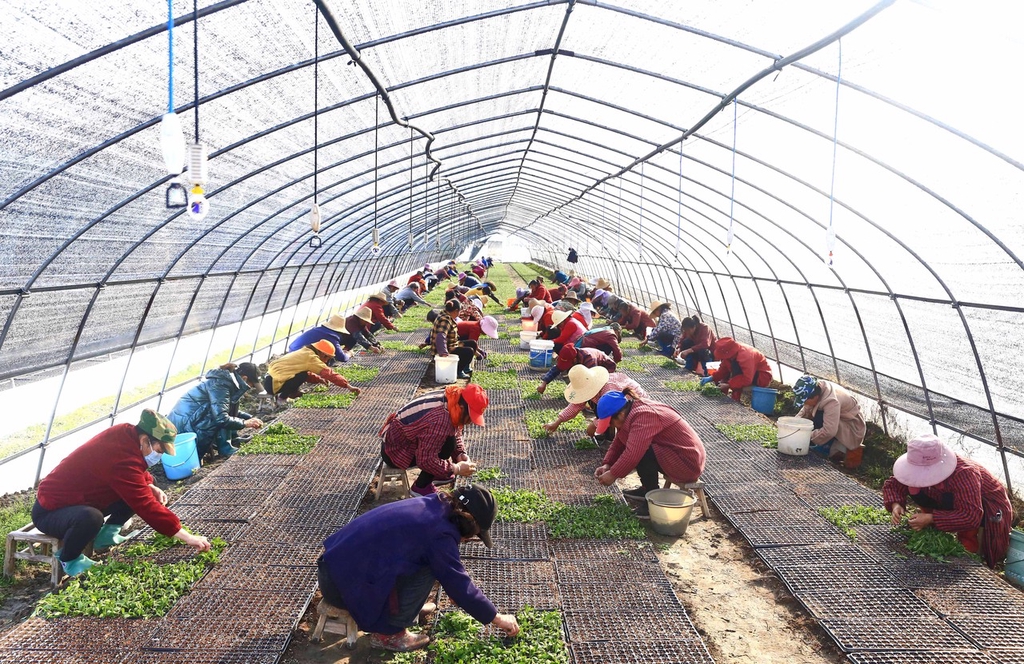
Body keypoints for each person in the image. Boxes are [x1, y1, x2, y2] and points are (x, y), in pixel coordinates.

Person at [317, 484, 519, 652]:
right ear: (469, 521)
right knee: (430, 567)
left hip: (334, 567)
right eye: (475, 534)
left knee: (426, 561)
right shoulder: (439, 534)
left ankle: (406, 609)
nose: (469, 539)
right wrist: (497, 617)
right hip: (342, 587)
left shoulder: (434, 504)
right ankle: (390, 634)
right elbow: (458, 583)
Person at [33, 410, 212, 577]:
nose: (159, 456)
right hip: (51, 510)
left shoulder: (126, 433)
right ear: (144, 440)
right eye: (159, 450)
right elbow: (144, 504)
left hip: (85, 498)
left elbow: (134, 470)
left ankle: (107, 535)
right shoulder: (121, 458)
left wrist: (150, 484)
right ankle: (70, 559)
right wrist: (187, 537)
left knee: (149, 484)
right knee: (90, 518)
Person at [883, 434, 1013, 569]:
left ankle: (970, 556)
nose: (920, 473)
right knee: (916, 487)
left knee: (968, 547)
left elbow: (971, 516)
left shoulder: (965, 474)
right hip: (953, 503)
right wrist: (896, 505)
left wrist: (931, 518)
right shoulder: (916, 465)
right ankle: (934, 527)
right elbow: (894, 484)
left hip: (987, 508)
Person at [592, 390, 706, 517]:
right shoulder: (631, 412)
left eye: (611, 422)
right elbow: (619, 440)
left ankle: (652, 503)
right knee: (640, 447)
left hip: (687, 463)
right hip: (674, 454)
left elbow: (632, 454)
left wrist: (613, 475)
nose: (611, 426)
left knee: (641, 451)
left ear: (621, 414)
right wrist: (607, 464)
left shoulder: (643, 416)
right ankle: (647, 489)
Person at [380, 384, 488, 496]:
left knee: (450, 441)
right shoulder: (440, 419)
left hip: (400, 441)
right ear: (462, 408)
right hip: (396, 453)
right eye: (470, 417)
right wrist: (456, 468)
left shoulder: (452, 398)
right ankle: (420, 487)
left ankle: (436, 472)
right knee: (447, 445)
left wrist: (460, 453)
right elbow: (426, 460)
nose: (470, 422)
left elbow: (455, 429)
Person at [167, 362, 263, 459]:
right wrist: (245, 423)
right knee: (222, 417)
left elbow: (227, 409)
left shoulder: (227, 382)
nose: (251, 388)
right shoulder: (221, 385)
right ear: (244, 378)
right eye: (252, 385)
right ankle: (225, 448)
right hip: (185, 428)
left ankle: (233, 439)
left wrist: (250, 418)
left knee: (225, 413)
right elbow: (221, 418)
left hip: (193, 420)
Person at [544, 365, 648, 438]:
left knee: (630, 432)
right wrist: (557, 422)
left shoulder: (610, 388)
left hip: (638, 406)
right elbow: (575, 406)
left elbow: (611, 413)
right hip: (620, 410)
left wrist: (594, 425)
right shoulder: (591, 388)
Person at [792, 375, 867, 468]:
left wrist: (805, 436)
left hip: (851, 428)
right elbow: (805, 411)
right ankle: (819, 443)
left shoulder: (831, 401)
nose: (804, 403)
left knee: (818, 417)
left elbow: (829, 430)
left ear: (815, 396)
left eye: (805, 401)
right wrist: (792, 426)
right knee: (813, 416)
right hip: (837, 421)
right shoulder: (818, 388)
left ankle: (824, 448)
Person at [265, 339, 362, 404]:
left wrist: (319, 380)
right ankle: (282, 399)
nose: (326, 361)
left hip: (269, 379)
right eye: (327, 358)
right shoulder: (311, 358)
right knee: (301, 375)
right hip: (274, 384)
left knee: (302, 374)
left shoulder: (305, 352)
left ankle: (290, 394)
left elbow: (308, 374)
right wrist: (348, 386)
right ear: (323, 354)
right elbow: (328, 373)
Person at [709, 337, 772, 402]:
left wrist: (728, 385)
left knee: (736, 368)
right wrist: (712, 377)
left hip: (761, 377)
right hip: (750, 374)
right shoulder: (731, 354)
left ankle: (735, 399)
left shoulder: (745, 357)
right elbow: (724, 368)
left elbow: (747, 379)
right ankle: (725, 394)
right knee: (731, 369)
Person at [536, 345, 616, 395]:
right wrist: (544, 383)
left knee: (597, 388)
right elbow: (557, 368)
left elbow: (592, 379)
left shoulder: (589, 358)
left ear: (574, 359)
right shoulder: (571, 356)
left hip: (605, 369)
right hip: (586, 367)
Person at [430, 299, 478, 379]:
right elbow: (440, 337)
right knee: (469, 351)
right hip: (444, 349)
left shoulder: (445, 316)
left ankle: (465, 367)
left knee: (472, 343)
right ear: (456, 311)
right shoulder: (445, 320)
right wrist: (444, 353)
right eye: (459, 312)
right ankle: (458, 370)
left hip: (451, 344)